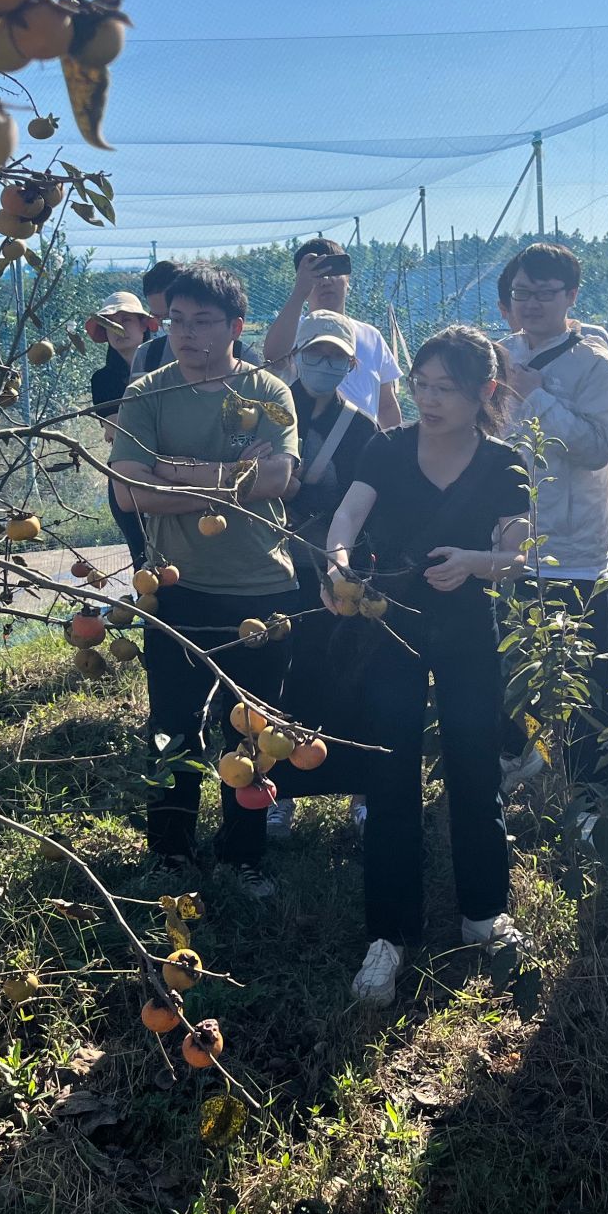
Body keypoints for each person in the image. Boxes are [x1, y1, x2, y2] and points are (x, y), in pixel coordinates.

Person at [322, 325, 532, 1005]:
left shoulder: (503, 463)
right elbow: (347, 517)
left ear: (485, 392)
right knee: (391, 774)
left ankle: (485, 912)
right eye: (422, 385)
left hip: (469, 630)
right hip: (393, 629)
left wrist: (475, 563)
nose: (430, 399)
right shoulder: (387, 448)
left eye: (447, 388)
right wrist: (337, 563)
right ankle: (388, 934)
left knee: (475, 767)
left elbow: (519, 555)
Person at [109, 263, 300, 894]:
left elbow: (278, 479)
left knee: (253, 731)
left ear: (236, 327)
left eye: (203, 322)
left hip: (260, 584)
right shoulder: (147, 393)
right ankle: (170, 850)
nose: (187, 334)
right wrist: (227, 478)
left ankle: (243, 853)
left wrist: (172, 471)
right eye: (177, 321)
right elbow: (128, 490)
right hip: (177, 587)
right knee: (173, 725)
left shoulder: (267, 391)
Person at [496, 242, 608, 783]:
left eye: (544, 294)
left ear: (571, 296)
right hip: (506, 542)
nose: (530, 304)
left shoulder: (596, 364)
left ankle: (584, 789)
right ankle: (519, 759)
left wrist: (535, 396)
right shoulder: (497, 355)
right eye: (521, 293)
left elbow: (597, 448)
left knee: (575, 675)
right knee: (507, 664)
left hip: (571, 546)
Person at [271, 310, 378, 835]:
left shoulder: (361, 427)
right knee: (282, 681)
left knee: (347, 676)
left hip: (336, 573)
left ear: (351, 364)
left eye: (337, 356)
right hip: (271, 570)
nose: (325, 363)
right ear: (296, 354)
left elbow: (367, 506)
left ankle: (361, 790)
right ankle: (279, 793)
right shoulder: (266, 414)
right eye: (316, 351)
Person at [260, 237, 404, 429]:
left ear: (348, 279)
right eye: (316, 274)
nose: (326, 281)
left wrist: (394, 444)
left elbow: (386, 405)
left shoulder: (372, 336)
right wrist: (299, 293)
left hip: (363, 442)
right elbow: (273, 357)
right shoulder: (293, 331)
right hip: (308, 441)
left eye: (333, 271)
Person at [89, 291, 159, 570]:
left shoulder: (171, 369)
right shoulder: (102, 379)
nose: (118, 328)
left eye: (126, 320)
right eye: (110, 323)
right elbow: (119, 429)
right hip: (126, 477)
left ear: (143, 324)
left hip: (174, 470)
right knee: (143, 559)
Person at [133, 259, 253, 375]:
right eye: (157, 318)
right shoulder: (147, 356)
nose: (185, 332)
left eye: (201, 322)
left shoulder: (244, 357)